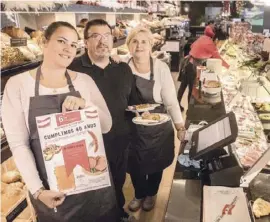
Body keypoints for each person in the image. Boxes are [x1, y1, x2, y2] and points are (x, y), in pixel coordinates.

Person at [2, 21, 119, 222]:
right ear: (44, 42)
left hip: (93, 183)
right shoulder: (18, 85)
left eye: (73, 45)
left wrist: (87, 105)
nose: (68, 49)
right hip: (52, 191)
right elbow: (19, 144)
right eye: (62, 41)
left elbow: (107, 125)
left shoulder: (84, 81)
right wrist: (38, 190)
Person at [68, 19, 140, 221]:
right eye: (95, 36)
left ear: (113, 39)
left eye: (106, 36)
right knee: (95, 194)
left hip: (120, 141)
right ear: (85, 42)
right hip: (89, 147)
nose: (102, 41)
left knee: (118, 182)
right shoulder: (73, 70)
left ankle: (118, 212)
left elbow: (133, 103)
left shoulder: (123, 69)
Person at [112, 26, 185, 212]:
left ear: (151, 45)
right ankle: (138, 194)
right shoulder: (121, 68)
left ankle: (151, 193)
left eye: (144, 41)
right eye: (135, 41)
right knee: (134, 163)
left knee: (155, 162)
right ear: (128, 46)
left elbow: (170, 100)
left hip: (157, 125)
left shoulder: (160, 68)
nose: (139, 45)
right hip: (131, 125)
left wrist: (179, 126)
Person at [177, 23, 230, 111]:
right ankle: (190, 110)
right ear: (216, 40)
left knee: (183, 86)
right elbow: (219, 59)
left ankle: (177, 105)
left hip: (187, 63)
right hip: (192, 66)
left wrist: (199, 53)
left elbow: (192, 46)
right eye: (221, 43)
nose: (221, 45)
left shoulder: (205, 38)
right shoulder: (211, 46)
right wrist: (229, 67)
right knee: (191, 89)